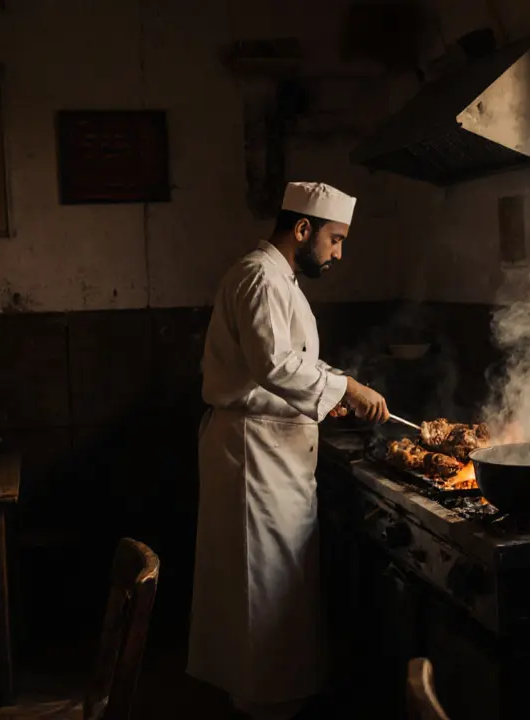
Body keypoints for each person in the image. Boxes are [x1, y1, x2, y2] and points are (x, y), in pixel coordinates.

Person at [187, 181, 390, 720]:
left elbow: (290, 364)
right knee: (263, 579)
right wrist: (347, 389)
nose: (338, 253)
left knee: (275, 580)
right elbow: (273, 363)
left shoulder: (282, 279)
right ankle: (265, 701)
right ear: (303, 229)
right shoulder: (259, 276)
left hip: (273, 450)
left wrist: (335, 387)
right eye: (336, 239)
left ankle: (271, 691)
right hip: (255, 454)